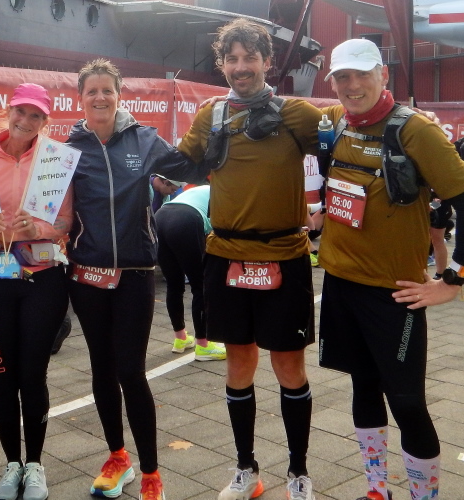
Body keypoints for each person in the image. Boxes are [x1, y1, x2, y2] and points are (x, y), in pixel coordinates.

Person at [177, 19, 322, 500]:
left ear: (267, 62)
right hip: (226, 257)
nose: (241, 67)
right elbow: (179, 162)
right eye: (232, 59)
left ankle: (298, 473)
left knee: (289, 367)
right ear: (222, 64)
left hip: (285, 257)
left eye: (250, 58)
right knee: (238, 365)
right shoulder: (210, 115)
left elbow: (346, 135)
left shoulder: (297, 113)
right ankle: (246, 470)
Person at [317, 39, 464, 500]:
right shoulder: (336, 121)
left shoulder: (416, 130)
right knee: (363, 387)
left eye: (362, 74)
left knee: (407, 404)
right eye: (343, 77)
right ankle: (377, 490)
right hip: (340, 285)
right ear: (333, 82)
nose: (352, 85)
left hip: (394, 295)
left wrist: (453, 280)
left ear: (383, 74)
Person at [66, 58, 208, 500]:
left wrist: (218, 135)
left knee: (130, 370)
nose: (100, 97)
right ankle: (117, 457)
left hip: (135, 274)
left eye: (107, 90)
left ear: (119, 95)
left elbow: (191, 167)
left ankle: (151, 473)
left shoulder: (144, 140)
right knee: (102, 370)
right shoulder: (67, 149)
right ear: (80, 98)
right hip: (86, 274)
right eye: (92, 91)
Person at [0, 83, 71, 500]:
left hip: (43, 279)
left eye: (36, 115)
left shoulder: (56, 159)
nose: (26, 120)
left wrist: (37, 227)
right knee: (2, 376)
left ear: (46, 120)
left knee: (32, 374)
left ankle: (36, 465)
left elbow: (65, 222)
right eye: (20, 112)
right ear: (7, 112)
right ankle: (12, 464)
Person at [156, 185, 227, 361]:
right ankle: (203, 345)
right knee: (200, 285)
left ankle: (180, 338)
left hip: (161, 217)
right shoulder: (227, 193)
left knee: (174, 284)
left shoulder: (207, 189)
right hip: (186, 219)